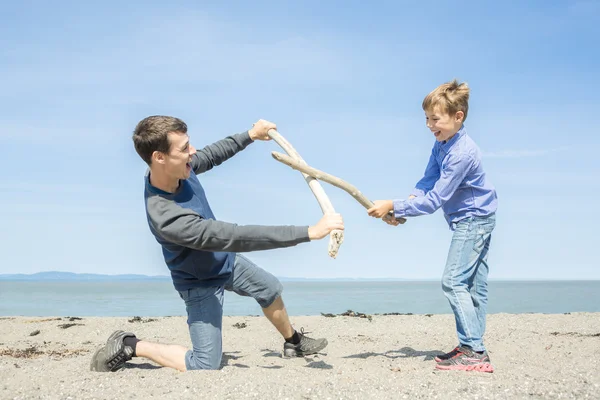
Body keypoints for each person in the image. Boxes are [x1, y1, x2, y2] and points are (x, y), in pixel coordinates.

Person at [90, 116, 344, 372]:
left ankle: (294, 342)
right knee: (205, 364)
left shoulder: (180, 169)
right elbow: (234, 236)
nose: (193, 152)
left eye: (189, 144)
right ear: (159, 157)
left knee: (269, 289)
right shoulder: (166, 216)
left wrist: (250, 135)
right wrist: (309, 232)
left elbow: (211, 155)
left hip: (224, 260)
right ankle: (131, 344)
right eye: (184, 148)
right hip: (199, 282)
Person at [367, 80, 498, 373]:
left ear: (458, 117)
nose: (429, 125)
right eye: (426, 118)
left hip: (474, 219)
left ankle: (474, 351)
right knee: (474, 287)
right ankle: (472, 346)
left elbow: (435, 199)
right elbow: (427, 182)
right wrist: (403, 206)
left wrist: (394, 205)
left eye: (435, 119)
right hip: (475, 218)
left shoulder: (462, 153)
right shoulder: (441, 144)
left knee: (453, 282)